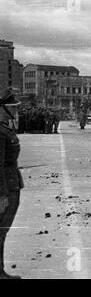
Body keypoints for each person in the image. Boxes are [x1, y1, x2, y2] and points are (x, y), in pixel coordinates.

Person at [0, 88, 23, 279]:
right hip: (6, 188)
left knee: (2, 231)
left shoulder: (5, 129)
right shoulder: (0, 132)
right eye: (12, 108)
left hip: (11, 184)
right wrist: (2, 195)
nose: (15, 112)